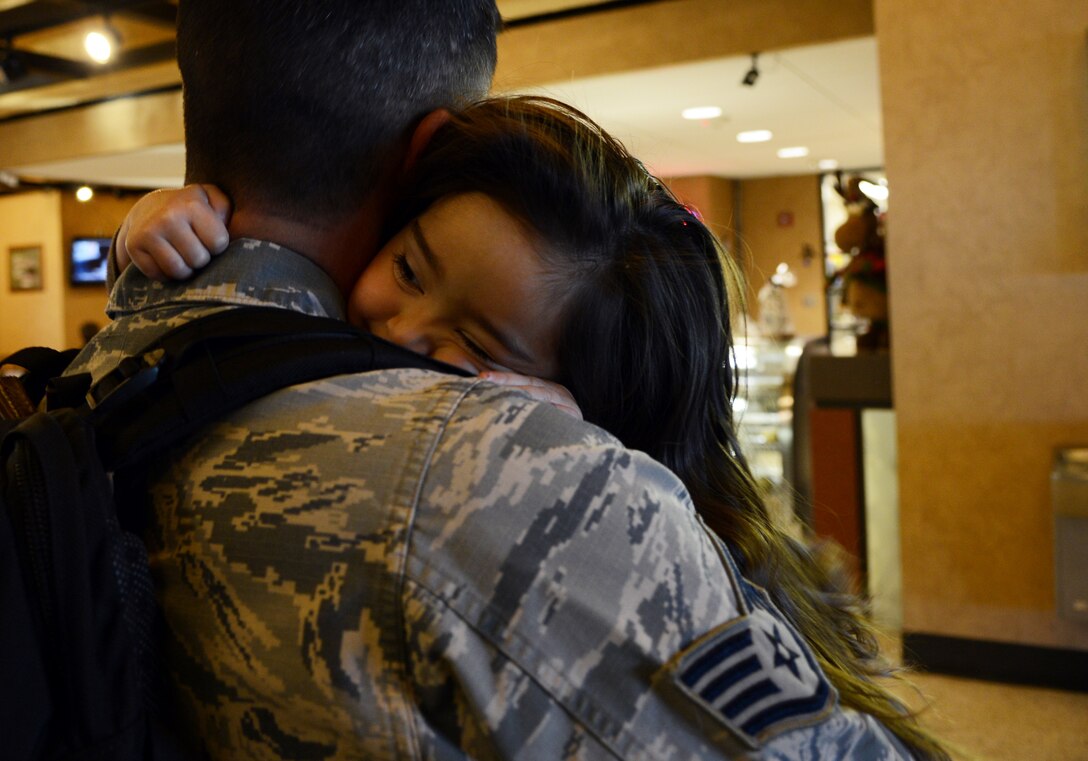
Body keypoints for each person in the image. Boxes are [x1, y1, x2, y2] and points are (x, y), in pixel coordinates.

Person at [110, 94, 948, 760]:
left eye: (476, 345)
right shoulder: (337, 366)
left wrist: (563, 453)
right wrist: (162, 242)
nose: (400, 330)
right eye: (407, 267)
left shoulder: (595, 518)